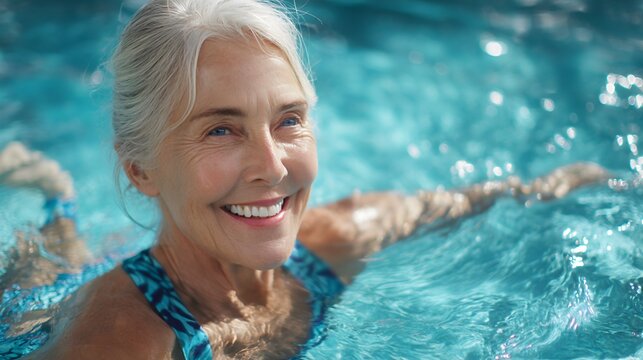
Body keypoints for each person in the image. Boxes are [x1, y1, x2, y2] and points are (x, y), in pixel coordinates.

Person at [0, 0, 612, 359]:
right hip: (59, 320)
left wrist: (556, 188)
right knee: (34, 289)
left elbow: (439, 205)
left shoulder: (327, 246)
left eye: (288, 119)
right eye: (220, 129)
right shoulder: (124, 338)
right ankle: (49, 208)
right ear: (141, 169)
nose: (273, 165)